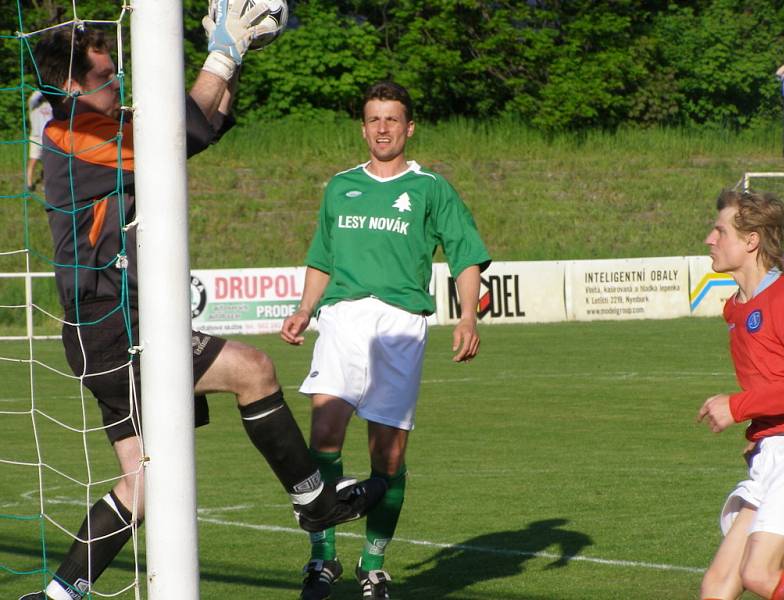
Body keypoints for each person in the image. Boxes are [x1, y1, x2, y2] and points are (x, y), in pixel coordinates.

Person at [20, 14, 384, 600]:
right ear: (71, 86)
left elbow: (202, 127)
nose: (120, 83)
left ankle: (61, 594)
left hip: (106, 331)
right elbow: (176, 137)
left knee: (142, 485)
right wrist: (221, 53)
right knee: (254, 369)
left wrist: (234, 55)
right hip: (118, 328)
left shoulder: (101, 125)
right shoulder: (72, 135)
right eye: (108, 76)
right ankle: (314, 501)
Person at [281, 81, 491, 600]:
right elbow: (322, 259)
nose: (382, 128)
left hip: (401, 324)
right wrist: (305, 309)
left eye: (392, 119)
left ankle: (373, 563)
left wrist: (467, 316)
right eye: (374, 119)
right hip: (343, 319)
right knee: (324, 432)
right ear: (363, 127)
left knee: (388, 456)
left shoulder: (431, 188)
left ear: (409, 127)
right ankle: (322, 557)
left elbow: (464, 254)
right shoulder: (339, 186)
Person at [697, 189, 784, 600]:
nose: (709, 239)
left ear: (752, 240)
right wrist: (762, 431)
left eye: (720, 231)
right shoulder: (736, 308)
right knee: (718, 585)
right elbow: (771, 380)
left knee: (759, 573)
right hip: (775, 452)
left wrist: (737, 406)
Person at [26, 89, 52, 189]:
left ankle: (46, 183)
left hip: (48, 137)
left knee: (48, 161)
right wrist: (43, 87)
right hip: (36, 137)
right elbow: (34, 97)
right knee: (33, 159)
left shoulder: (50, 105)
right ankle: (29, 183)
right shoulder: (34, 105)